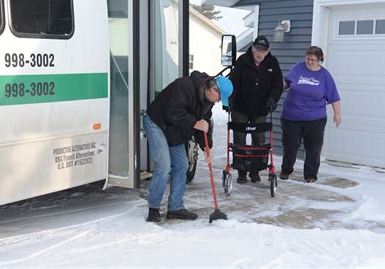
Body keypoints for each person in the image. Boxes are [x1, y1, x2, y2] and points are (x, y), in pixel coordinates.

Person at [143, 71, 233, 222]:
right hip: (157, 123)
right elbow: (173, 112)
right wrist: (195, 123)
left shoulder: (207, 102)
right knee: (164, 165)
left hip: (174, 129)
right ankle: (153, 208)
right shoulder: (184, 86)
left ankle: (175, 208)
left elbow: (203, 128)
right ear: (213, 89)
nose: (217, 102)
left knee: (182, 164)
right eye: (219, 98)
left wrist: (207, 148)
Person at [280, 46, 341, 183]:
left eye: (313, 59)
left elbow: (334, 96)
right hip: (291, 116)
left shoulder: (325, 75)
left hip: (315, 118)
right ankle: (286, 170)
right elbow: (287, 83)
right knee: (290, 145)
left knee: (313, 148)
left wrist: (337, 114)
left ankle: (310, 175)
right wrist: (278, 85)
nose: (309, 62)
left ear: (319, 60)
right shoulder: (297, 68)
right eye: (308, 58)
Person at [228, 35, 283, 183]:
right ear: (252, 48)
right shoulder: (242, 61)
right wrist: (229, 100)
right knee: (239, 138)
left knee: (258, 139)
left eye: (263, 51)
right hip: (240, 107)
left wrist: (272, 100)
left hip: (261, 108)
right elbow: (233, 83)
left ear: (268, 51)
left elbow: (277, 86)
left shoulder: (273, 63)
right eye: (257, 49)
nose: (260, 53)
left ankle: (255, 170)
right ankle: (241, 171)